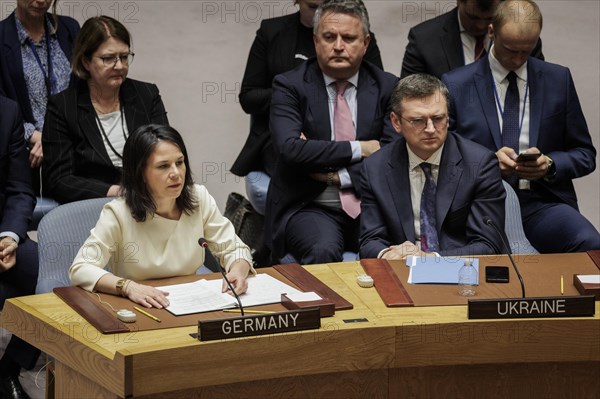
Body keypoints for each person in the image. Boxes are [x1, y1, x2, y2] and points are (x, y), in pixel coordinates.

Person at [442, 0, 600, 253]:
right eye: (509, 49)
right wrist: (489, 163)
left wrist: (549, 165)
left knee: (591, 243)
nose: (516, 59)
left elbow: (584, 154)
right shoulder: (457, 84)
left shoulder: (558, 80)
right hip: (481, 203)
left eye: (526, 51)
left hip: (541, 202)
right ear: (491, 32)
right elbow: (444, 158)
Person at [265, 0, 398, 264]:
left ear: (366, 43)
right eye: (329, 37)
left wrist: (335, 175)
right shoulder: (290, 85)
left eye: (348, 38)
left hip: (372, 203)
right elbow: (291, 150)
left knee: (392, 252)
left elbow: (393, 158)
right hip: (310, 205)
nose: (338, 46)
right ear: (315, 41)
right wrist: (361, 148)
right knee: (322, 251)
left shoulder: (388, 87)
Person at [69, 124, 254, 304]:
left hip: (192, 301)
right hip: (140, 304)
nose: (176, 173)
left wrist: (238, 270)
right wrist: (127, 287)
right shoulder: (118, 213)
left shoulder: (199, 198)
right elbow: (81, 268)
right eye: (163, 166)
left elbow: (234, 249)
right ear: (140, 172)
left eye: (179, 163)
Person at [232, 0, 383, 214]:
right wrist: (296, 94)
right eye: (312, 7)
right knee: (296, 169)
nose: (320, 15)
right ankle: (278, 234)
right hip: (287, 130)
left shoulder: (354, 35)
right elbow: (249, 97)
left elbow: (375, 93)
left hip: (347, 130)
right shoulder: (272, 32)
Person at [359, 74, 505, 260]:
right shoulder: (375, 168)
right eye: (418, 121)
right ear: (396, 122)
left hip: (460, 270)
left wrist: (431, 259)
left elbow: (488, 245)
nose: (430, 129)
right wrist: (388, 254)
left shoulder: (480, 164)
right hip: (402, 268)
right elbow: (369, 240)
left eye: (438, 118)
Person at [42, 15, 169, 204]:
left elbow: (165, 152)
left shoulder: (146, 95)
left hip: (149, 199)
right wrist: (114, 191)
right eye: (108, 59)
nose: (119, 66)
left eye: (124, 57)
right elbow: (60, 180)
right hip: (96, 205)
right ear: (86, 61)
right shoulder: (63, 107)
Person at [0, 0, 79, 195]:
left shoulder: (70, 29)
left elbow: (84, 89)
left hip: (73, 150)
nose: (41, 1)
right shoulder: (1, 37)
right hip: (24, 153)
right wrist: (36, 136)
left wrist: (54, 139)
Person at [0, 95, 40, 399]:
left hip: (1, 234)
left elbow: (20, 189)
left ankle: (8, 369)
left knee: (61, 283)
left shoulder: (7, 110)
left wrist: (10, 236)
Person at [400, 0, 543, 79]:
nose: (481, 25)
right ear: (458, 2)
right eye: (472, 17)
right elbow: (407, 97)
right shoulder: (423, 39)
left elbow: (538, 84)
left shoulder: (519, 40)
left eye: (489, 18)